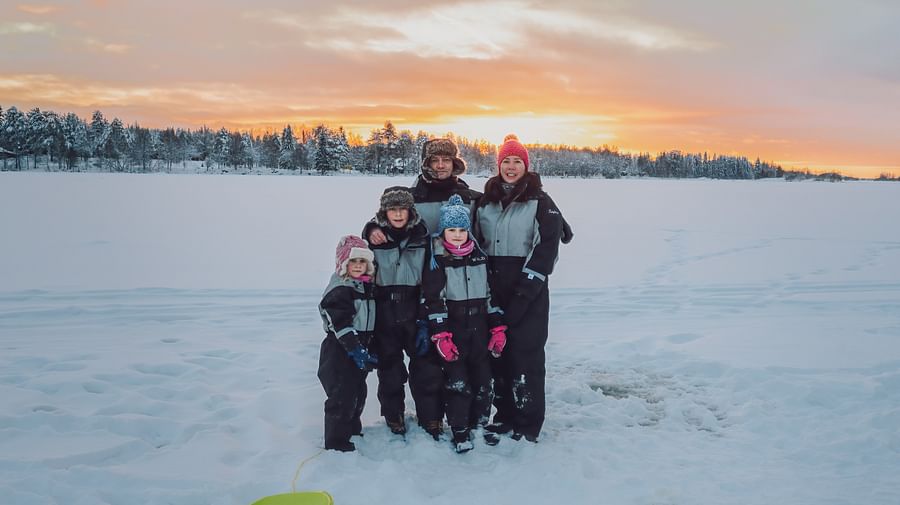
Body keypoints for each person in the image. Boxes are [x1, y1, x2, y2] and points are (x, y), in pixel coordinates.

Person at [473, 134, 573, 443]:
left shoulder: (540, 201)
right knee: (497, 355)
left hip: (528, 287)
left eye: (517, 161)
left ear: (526, 165)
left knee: (525, 355)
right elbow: (474, 243)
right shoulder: (485, 201)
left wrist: (524, 291)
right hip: (492, 285)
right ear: (498, 165)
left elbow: (545, 250)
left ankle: (527, 424)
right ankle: (504, 417)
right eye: (506, 161)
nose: (512, 166)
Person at [422, 195, 507, 453]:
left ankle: (479, 426)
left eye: (462, 230)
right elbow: (433, 300)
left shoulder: (480, 258)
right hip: (454, 333)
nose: (457, 235)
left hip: (479, 332)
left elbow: (491, 296)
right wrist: (441, 335)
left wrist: (498, 327)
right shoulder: (439, 261)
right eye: (452, 230)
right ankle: (460, 430)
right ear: (443, 232)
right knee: (458, 384)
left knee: (484, 382)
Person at [366, 186, 445, 440]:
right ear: (384, 212)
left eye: (402, 209)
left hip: (414, 309)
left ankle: (430, 417)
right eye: (392, 209)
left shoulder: (423, 236)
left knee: (426, 367)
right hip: (385, 311)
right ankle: (393, 416)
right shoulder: (374, 237)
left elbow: (432, 276)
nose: (397, 214)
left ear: (411, 211)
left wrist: (426, 312)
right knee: (390, 369)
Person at [317, 235, 379, 452]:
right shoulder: (340, 288)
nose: (358, 266)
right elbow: (340, 321)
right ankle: (336, 441)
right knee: (342, 395)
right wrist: (355, 348)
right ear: (343, 264)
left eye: (362, 262)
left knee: (358, 391)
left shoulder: (366, 288)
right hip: (339, 350)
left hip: (358, 349)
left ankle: (352, 428)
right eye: (353, 261)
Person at [367, 138, 481, 244]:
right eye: (435, 160)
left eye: (446, 160)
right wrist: (373, 229)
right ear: (426, 164)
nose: (440, 165)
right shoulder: (410, 197)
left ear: (454, 163)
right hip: (420, 263)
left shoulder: (471, 198)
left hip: (459, 264)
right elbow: (384, 218)